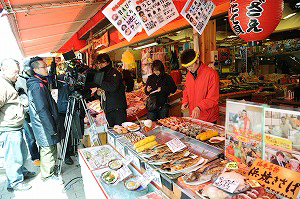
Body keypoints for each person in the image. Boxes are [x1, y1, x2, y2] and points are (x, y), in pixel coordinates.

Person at [0, 59, 36, 191]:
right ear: (4, 70)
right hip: (9, 128)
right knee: (13, 156)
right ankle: (14, 182)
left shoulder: (8, 83)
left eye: (18, 72)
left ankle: (21, 172)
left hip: (15, 126)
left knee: (21, 153)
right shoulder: (2, 85)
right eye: (15, 72)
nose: (17, 75)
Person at [27, 57, 62, 183]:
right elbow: (42, 109)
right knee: (48, 150)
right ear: (35, 69)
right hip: (43, 125)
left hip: (44, 124)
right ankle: (47, 176)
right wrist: (51, 128)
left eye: (46, 66)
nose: (46, 68)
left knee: (50, 148)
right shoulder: (37, 86)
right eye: (43, 67)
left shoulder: (39, 82)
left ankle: (50, 171)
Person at [180, 49, 219, 123]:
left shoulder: (211, 74)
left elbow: (213, 98)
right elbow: (186, 90)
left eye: (191, 66)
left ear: (197, 61)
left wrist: (199, 107)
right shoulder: (188, 75)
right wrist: (185, 101)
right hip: (194, 116)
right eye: (187, 67)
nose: (189, 69)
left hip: (209, 118)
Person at [15, 60, 40, 166]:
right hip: (23, 113)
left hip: (34, 110)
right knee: (30, 136)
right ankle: (35, 157)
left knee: (39, 133)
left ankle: (41, 155)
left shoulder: (30, 78)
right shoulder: (16, 81)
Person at [93, 53, 127, 126]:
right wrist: (97, 93)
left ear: (108, 62)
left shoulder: (115, 73)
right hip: (108, 109)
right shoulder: (101, 74)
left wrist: (99, 82)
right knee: (111, 131)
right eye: (98, 63)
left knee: (121, 131)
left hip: (118, 108)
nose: (100, 65)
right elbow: (99, 92)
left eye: (102, 63)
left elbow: (112, 87)